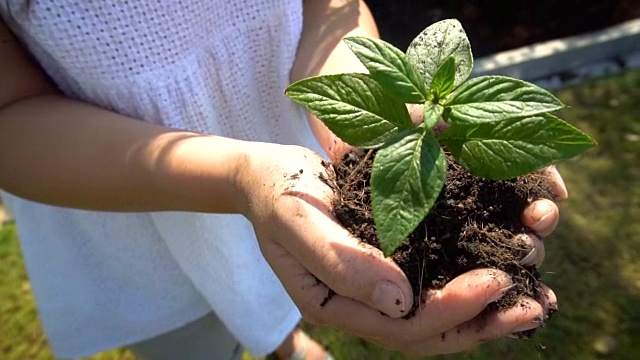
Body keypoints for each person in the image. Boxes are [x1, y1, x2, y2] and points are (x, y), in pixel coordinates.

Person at [0, 0, 565, 359]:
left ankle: (281, 344)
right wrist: (238, 175)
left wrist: (369, 96)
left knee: (280, 280)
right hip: (120, 206)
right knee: (189, 342)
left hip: (289, 170)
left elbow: (332, 11)